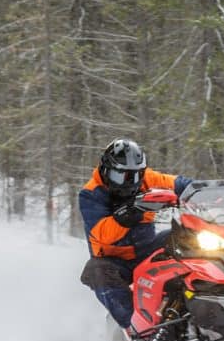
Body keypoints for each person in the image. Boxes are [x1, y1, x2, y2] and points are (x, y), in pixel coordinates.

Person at [79, 138, 192, 328]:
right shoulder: (91, 193)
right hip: (114, 262)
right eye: (119, 176)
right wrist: (129, 214)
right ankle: (134, 326)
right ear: (106, 171)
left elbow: (178, 184)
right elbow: (101, 234)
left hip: (146, 251)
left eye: (134, 176)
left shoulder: (147, 179)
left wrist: (202, 188)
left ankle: (204, 298)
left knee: (187, 237)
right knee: (96, 271)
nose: (128, 183)